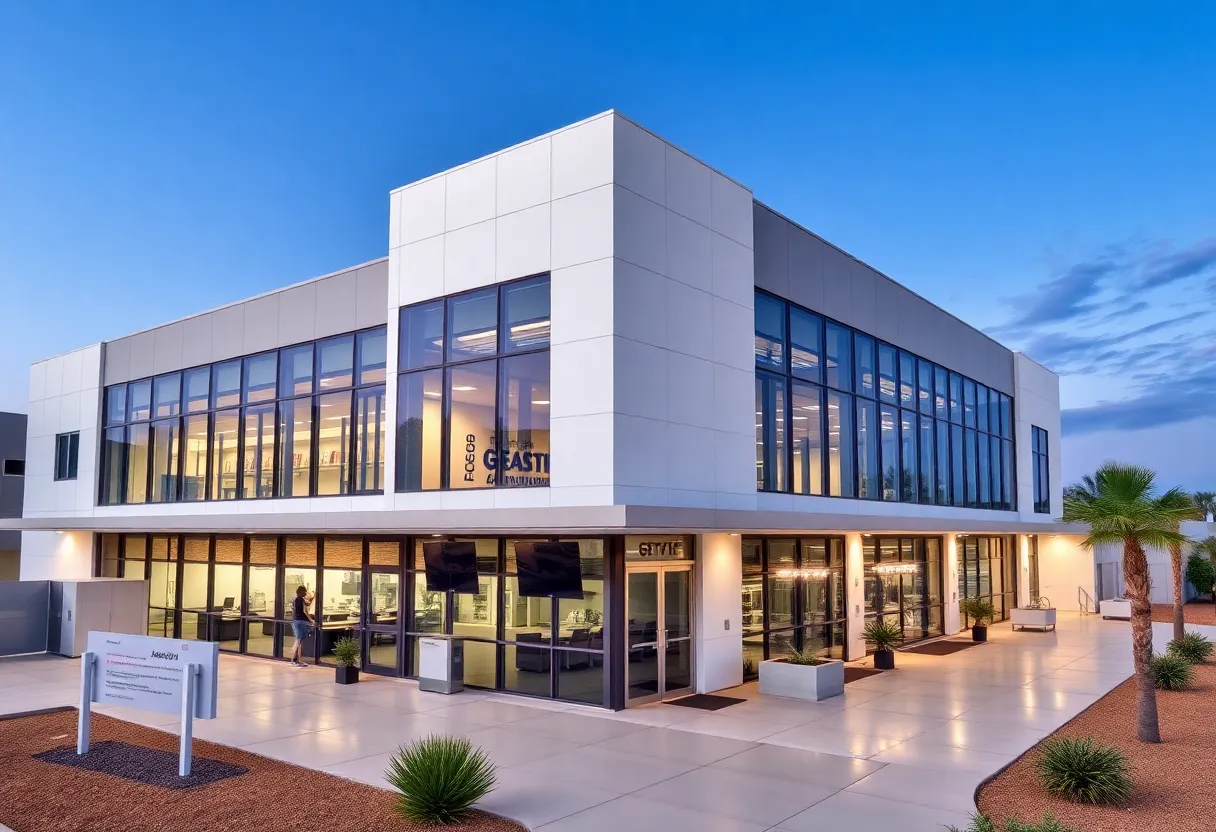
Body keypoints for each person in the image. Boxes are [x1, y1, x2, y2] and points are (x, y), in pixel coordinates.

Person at [290, 585, 313, 667]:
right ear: (303, 592)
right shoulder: (301, 600)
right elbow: (305, 611)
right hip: (301, 622)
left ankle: (297, 660)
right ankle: (294, 659)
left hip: (295, 621)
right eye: (305, 591)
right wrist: (311, 620)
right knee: (298, 641)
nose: (306, 593)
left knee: (298, 641)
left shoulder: (295, 600)